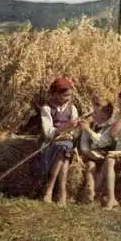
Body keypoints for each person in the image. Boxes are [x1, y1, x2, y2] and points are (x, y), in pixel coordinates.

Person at [40, 77, 79, 206]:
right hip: (51, 143)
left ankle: (49, 189)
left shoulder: (72, 109)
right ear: (56, 94)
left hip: (66, 142)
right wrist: (65, 128)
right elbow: (48, 132)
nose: (68, 98)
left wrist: (70, 133)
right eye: (65, 95)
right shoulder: (47, 108)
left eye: (70, 95)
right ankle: (62, 192)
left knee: (64, 148)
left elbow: (75, 131)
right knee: (63, 152)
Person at [79, 100, 115, 203]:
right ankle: (89, 191)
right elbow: (84, 143)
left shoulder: (111, 127)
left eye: (95, 113)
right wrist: (85, 151)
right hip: (92, 156)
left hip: (106, 156)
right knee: (90, 166)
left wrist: (88, 130)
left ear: (105, 115)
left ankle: (96, 192)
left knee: (102, 170)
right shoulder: (92, 125)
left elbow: (102, 142)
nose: (92, 115)